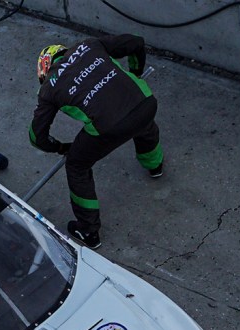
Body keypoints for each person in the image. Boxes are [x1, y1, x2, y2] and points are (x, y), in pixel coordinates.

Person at [30, 38, 164, 248]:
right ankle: (155, 166)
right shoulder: (90, 45)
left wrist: (61, 148)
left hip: (109, 127)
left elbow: (37, 137)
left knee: (76, 165)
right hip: (145, 101)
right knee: (141, 121)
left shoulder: (49, 88)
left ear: (44, 67)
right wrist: (136, 73)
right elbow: (136, 42)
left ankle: (88, 231)